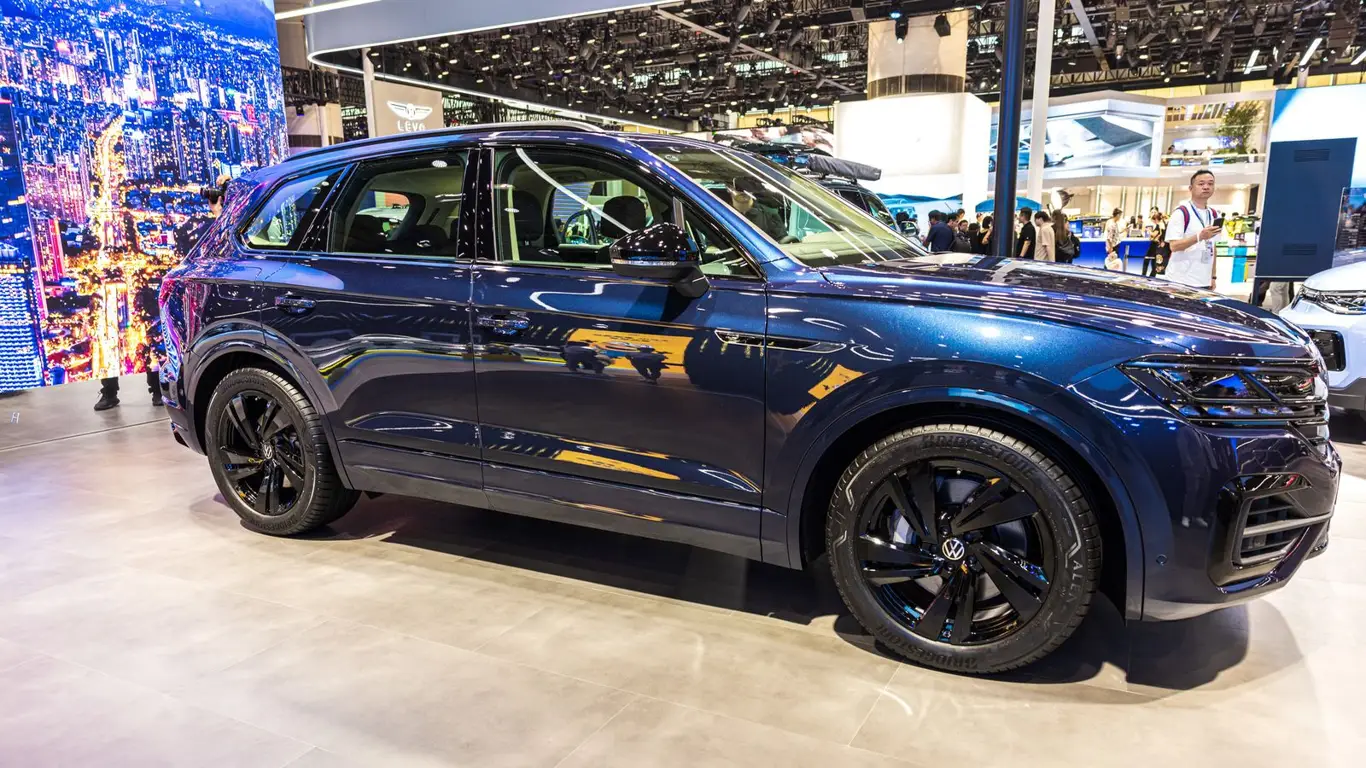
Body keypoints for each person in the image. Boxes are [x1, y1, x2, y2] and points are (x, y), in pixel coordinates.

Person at [94, 174, 230, 412]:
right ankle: (110, 390)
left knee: (156, 341)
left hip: (164, 284)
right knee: (130, 344)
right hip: (147, 284)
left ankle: (157, 389)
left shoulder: (194, 223)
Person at [1164, 169, 1222, 289]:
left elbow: (1213, 247)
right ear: (1191, 188)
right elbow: (1174, 246)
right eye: (1201, 184)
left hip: (1204, 281)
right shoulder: (1181, 212)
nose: (1206, 187)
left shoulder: (1215, 214)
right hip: (1180, 280)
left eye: (1210, 183)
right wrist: (1199, 237)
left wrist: (1213, 276)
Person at [1142, 208, 1166, 277]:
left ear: (1156, 219)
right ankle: (1152, 277)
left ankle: (1144, 276)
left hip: (1155, 245)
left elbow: (1154, 234)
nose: (1153, 222)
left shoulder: (1159, 225)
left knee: (1147, 260)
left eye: (1154, 220)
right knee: (1154, 262)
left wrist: (1148, 231)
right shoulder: (1163, 224)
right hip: (1160, 246)